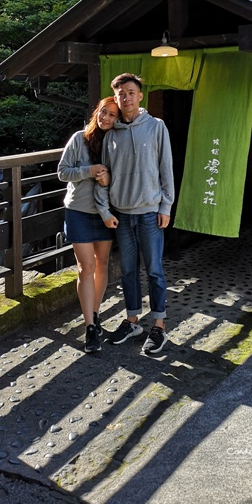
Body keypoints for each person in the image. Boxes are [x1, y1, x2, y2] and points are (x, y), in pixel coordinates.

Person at [95, 72, 174, 355]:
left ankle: (159, 326)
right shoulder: (110, 135)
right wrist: (104, 209)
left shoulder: (156, 127)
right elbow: (102, 175)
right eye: (121, 94)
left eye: (130, 92)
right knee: (128, 270)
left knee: (154, 271)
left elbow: (167, 168)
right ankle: (132, 321)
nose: (126, 97)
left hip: (150, 212)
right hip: (122, 214)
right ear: (115, 98)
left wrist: (166, 206)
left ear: (140, 96)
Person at [57, 96, 120, 353]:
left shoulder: (117, 142)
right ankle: (90, 326)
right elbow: (62, 172)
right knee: (86, 266)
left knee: (103, 264)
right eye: (103, 112)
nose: (105, 118)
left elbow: (123, 176)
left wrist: (108, 179)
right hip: (78, 211)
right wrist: (89, 170)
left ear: (118, 120)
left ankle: (94, 313)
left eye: (112, 116)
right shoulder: (79, 138)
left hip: (105, 213)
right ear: (97, 111)